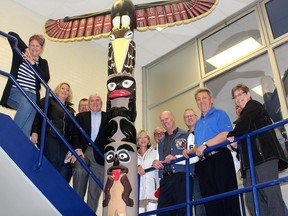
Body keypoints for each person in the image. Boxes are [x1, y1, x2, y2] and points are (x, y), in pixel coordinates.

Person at [227, 84, 288, 216]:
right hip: (251, 163)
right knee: (251, 198)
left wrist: (232, 135)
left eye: (240, 94)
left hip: (264, 157)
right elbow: (243, 135)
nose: (238, 98)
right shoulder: (243, 118)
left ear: (248, 94)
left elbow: (244, 125)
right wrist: (235, 145)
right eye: (235, 96)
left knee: (271, 194)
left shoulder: (253, 105)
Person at [184, 88, 241, 216]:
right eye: (198, 99)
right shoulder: (197, 124)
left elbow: (226, 134)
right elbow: (199, 145)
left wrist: (206, 145)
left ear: (211, 100)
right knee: (211, 205)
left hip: (220, 159)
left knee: (228, 201)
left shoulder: (220, 114)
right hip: (204, 165)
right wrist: (190, 151)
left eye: (204, 98)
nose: (201, 101)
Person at [0, 31, 50, 138]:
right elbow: (12, 35)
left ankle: (17, 148)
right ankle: (9, 136)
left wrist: (33, 64)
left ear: (41, 49)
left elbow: (45, 79)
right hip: (16, 91)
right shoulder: (21, 54)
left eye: (37, 46)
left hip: (33, 96)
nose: (34, 48)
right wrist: (25, 49)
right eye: (32, 45)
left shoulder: (43, 63)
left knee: (26, 127)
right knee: (27, 105)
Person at [152, 110, 195, 216]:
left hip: (182, 178)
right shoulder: (160, 142)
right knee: (163, 213)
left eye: (166, 119)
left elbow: (195, 157)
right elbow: (157, 159)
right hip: (165, 181)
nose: (165, 122)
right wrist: (155, 162)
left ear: (173, 118)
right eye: (162, 120)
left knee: (182, 211)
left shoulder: (187, 135)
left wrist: (176, 158)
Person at [30, 82, 75, 182]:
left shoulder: (71, 110)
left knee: (60, 164)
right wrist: (34, 132)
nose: (65, 91)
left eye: (67, 90)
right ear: (57, 90)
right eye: (62, 88)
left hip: (64, 141)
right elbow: (38, 116)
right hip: (49, 135)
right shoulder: (48, 101)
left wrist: (72, 149)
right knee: (53, 159)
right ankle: (42, 183)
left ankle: (48, 184)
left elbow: (71, 130)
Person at [70, 93, 107, 212]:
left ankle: (89, 213)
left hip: (100, 156)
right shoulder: (81, 116)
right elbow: (74, 134)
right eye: (92, 101)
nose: (95, 103)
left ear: (101, 103)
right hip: (84, 152)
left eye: (97, 100)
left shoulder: (108, 117)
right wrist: (77, 149)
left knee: (94, 192)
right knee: (80, 170)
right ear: (89, 104)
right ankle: (76, 206)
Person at [183, 108, 206, 216]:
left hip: (207, 168)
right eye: (186, 117)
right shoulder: (183, 137)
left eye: (191, 115)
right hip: (193, 173)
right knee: (198, 201)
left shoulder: (204, 130)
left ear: (196, 117)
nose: (189, 118)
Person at [137, 129, 159, 215]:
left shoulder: (155, 153)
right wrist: (136, 167)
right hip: (139, 194)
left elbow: (159, 171)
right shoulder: (133, 156)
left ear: (149, 140)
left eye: (145, 137)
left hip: (152, 193)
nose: (143, 140)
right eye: (140, 138)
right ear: (137, 141)